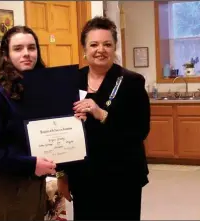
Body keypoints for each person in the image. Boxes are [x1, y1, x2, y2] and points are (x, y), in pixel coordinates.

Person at [57, 16, 151, 220]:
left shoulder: (131, 81)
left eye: (107, 44)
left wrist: (102, 114)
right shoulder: (72, 81)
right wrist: (62, 175)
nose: (101, 49)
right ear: (84, 49)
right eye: (94, 44)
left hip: (123, 175)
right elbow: (61, 130)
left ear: (115, 47)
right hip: (84, 176)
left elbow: (140, 129)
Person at [0, 26, 58, 221]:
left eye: (32, 47)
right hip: (11, 188)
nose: (27, 53)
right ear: (7, 55)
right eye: (18, 48)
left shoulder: (38, 91)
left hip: (37, 184)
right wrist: (30, 164)